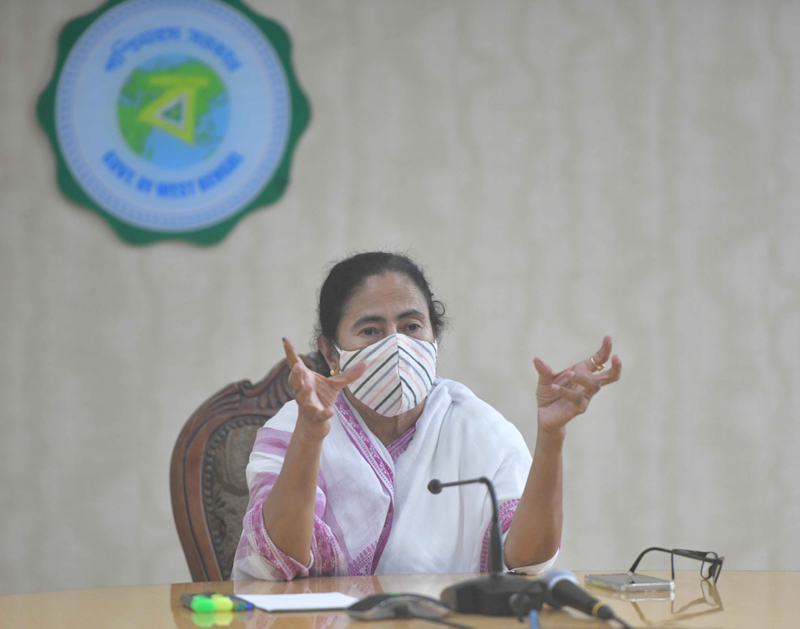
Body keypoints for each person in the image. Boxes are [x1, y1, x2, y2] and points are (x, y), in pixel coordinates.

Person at [232, 252, 621, 581]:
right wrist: (310, 435)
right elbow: (276, 562)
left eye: (411, 326)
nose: (396, 344)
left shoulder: (477, 427)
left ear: (435, 337)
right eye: (370, 330)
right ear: (332, 353)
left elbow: (528, 561)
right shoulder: (292, 427)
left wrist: (551, 436)